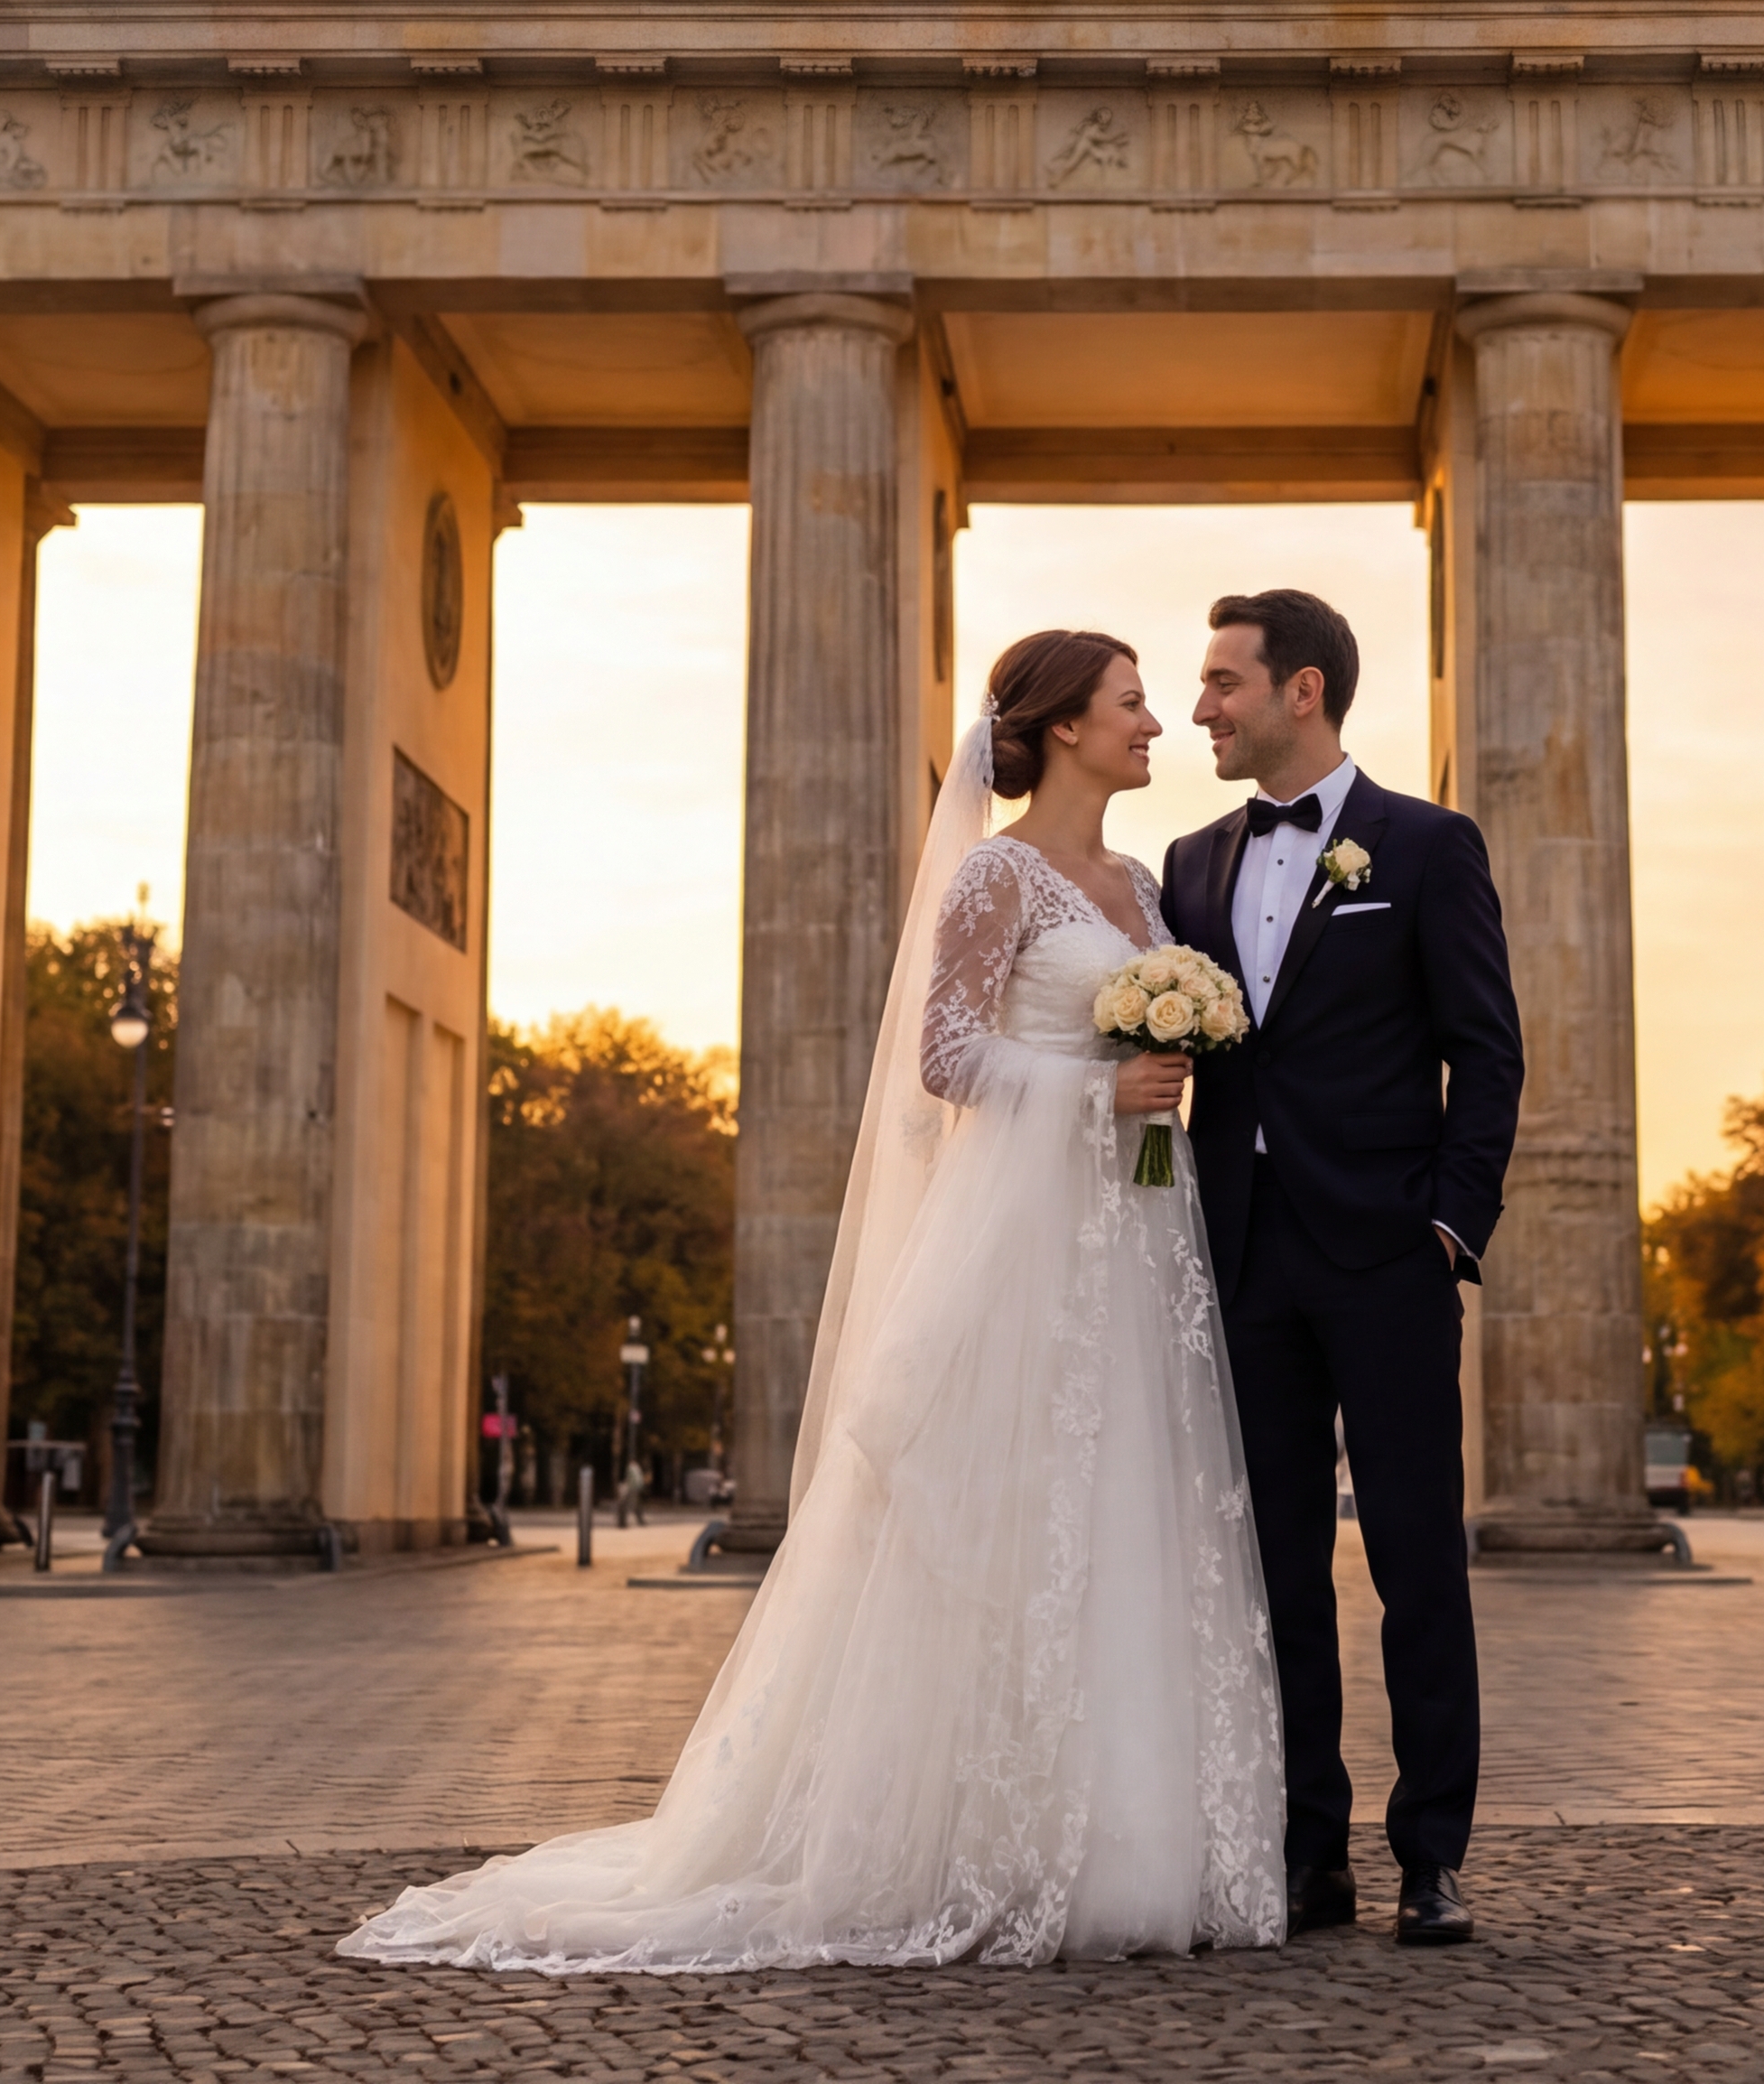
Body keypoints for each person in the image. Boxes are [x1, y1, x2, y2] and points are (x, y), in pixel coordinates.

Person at [343, 632, 1282, 1973]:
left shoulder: (1142, 881)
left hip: (1134, 1244)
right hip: (1026, 1244)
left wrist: (1159, 1067)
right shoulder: (994, 875)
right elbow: (946, 1056)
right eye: (1132, 703)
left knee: (1129, 1505)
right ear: (1065, 726)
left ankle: (1126, 1843)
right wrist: (1096, 1087)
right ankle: (975, 1837)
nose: (1155, 724)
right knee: (1006, 1514)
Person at [1158, 589, 1523, 1950]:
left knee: (1419, 1562)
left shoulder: (1427, 847)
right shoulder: (1188, 863)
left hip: (1387, 1257)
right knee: (1275, 1573)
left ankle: (1433, 1856)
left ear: (1300, 691)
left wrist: (1448, 1225)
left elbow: (1487, 1049)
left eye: (1221, 683)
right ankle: (1308, 1854)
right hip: (1242, 1262)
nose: (1202, 708)